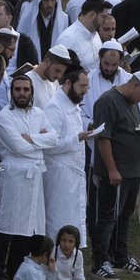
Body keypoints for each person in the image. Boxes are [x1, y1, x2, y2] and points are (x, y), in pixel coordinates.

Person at [90, 69, 140, 278]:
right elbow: (103, 138)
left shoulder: (133, 103)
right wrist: (111, 169)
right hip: (116, 170)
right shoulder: (107, 101)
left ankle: (120, 255)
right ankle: (100, 260)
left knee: (124, 215)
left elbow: (126, 129)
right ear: (135, 85)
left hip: (132, 169)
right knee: (108, 216)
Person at [0, 74, 56, 273]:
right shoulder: (5, 116)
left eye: (25, 89)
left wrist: (30, 139)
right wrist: (38, 142)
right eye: (17, 89)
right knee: (7, 222)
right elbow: (18, 146)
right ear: (11, 92)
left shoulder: (39, 114)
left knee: (28, 224)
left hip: (35, 173)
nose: (22, 93)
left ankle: (15, 269)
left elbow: (54, 138)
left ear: (31, 92)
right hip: (14, 174)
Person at [42, 64, 92, 241]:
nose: (85, 91)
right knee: (58, 221)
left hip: (73, 174)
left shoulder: (73, 105)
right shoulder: (55, 107)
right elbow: (48, 145)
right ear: (69, 83)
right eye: (82, 86)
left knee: (73, 220)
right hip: (59, 176)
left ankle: (70, 261)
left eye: (87, 87)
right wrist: (77, 138)